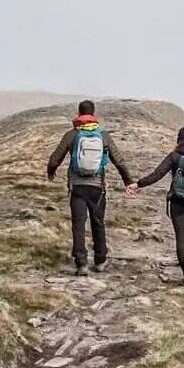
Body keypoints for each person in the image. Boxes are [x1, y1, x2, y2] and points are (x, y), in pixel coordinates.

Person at [46, 100, 134, 274]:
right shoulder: (103, 135)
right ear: (93, 114)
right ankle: (100, 261)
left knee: (78, 224)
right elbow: (119, 161)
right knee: (98, 222)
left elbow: (55, 158)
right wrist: (128, 181)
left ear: (79, 114)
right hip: (97, 188)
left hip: (77, 187)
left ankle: (82, 263)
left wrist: (51, 171)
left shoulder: (72, 134)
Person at [129, 125, 184, 284]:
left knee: (180, 239)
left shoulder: (174, 156)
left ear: (178, 140)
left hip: (178, 202)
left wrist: (139, 184)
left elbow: (157, 174)